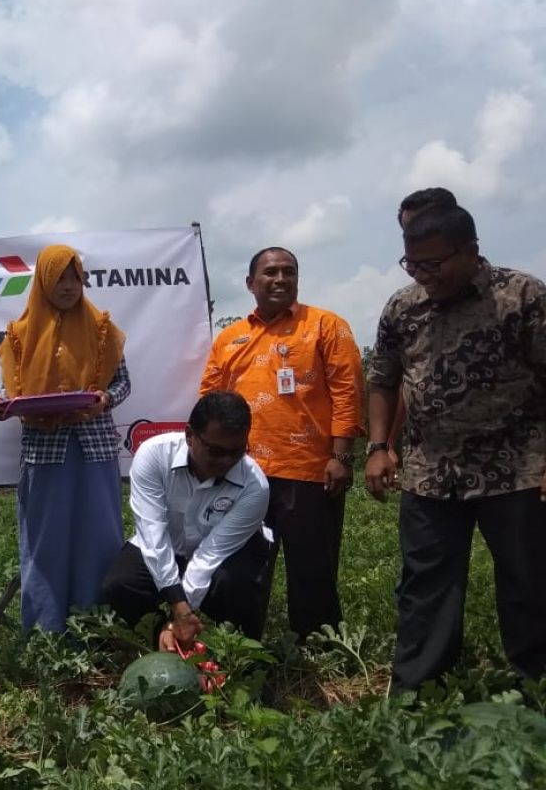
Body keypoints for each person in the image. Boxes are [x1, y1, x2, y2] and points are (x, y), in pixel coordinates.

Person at [365, 203, 546, 693]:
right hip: (430, 470)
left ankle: (534, 688)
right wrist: (379, 446)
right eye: (413, 264)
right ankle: (419, 693)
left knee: (527, 581)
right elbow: (383, 379)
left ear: (470, 250)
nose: (423, 275)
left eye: (433, 264)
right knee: (427, 586)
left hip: (517, 467)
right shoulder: (404, 307)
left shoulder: (522, 296)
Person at [200, 247, 364, 638]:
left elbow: (348, 393)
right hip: (243, 472)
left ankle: (319, 647)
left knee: (313, 568)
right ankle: (240, 643)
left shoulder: (326, 326)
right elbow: (210, 399)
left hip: (309, 469)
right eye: (270, 272)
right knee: (242, 565)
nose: (280, 279)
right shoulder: (230, 338)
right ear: (250, 283)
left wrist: (341, 456)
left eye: (288, 272)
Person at [0, 243, 129, 632]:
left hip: (94, 446)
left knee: (99, 535)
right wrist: (1, 405)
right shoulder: (19, 334)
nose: (68, 286)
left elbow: (123, 384)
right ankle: (46, 631)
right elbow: (10, 391)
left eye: (75, 278)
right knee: (46, 540)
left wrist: (105, 398)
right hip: (44, 450)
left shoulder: (102, 329)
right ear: (44, 282)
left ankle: (97, 626)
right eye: (59, 278)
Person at [102, 391, 271, 651]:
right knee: (121, 584)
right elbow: (153, 535)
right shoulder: (154, 456)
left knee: (234, 584)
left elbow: (211, 554)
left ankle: (230, 654)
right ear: (190, 435)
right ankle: (162, 640)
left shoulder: (254, 486)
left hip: (224, 552)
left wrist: (179, 613)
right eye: (215, 451)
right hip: (170, 543)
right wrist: (177, 612)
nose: (226, 462)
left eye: (236, 452)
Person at [386, 188, 459, 466]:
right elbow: (402, 378)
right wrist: (385, 445)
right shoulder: (404, 306)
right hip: (429, 470)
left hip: (512, 473)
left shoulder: (514, 295)